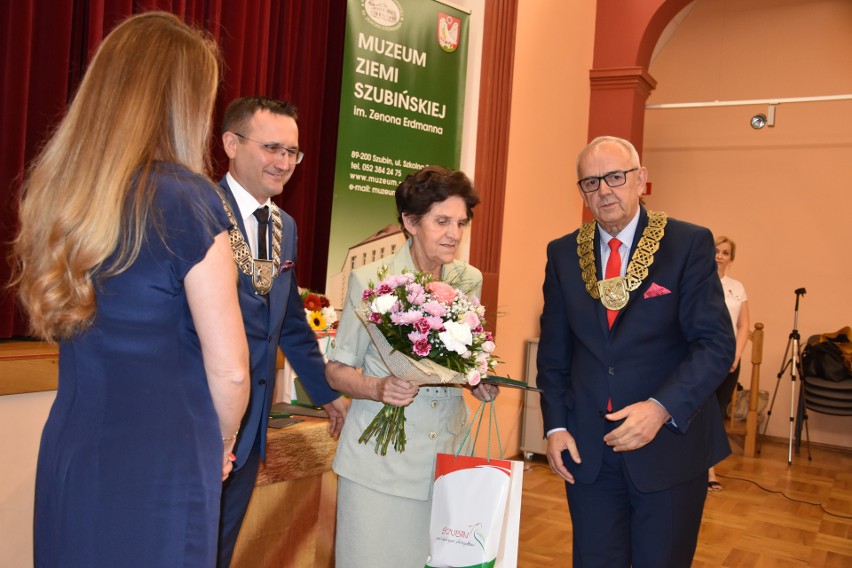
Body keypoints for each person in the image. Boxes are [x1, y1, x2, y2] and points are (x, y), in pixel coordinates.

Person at [11, 12, 250, 567]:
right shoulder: (187, 199)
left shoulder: (60, 193)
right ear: (182, 101)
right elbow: (232, 367)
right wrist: (220, 444)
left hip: (74, 448)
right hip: (162, 462)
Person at [537, 136, 735, 567]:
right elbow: (554, 354)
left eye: (615, 177)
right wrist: (554, 428)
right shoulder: (563, 254)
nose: (604, 190)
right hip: (587, 453)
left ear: (641, 180)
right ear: (582, 192)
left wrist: (661, 407)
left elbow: (716, 344)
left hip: (668, 449)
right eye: (591, 182)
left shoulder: (687, 244)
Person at [325, 166, 500, 568]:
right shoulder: (370, 280)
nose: (454, 233)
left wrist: (476, 380)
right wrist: (377, 388)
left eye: (460, 222)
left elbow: (461, 357)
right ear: (410, 221)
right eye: (442, 221)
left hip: (449, 458)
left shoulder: (467, 279)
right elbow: (337, 370)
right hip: (380, 464)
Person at [216, 95, 349, 567]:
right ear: (231, 143)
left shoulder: (283, 225)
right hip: (203, 417)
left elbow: (289, 321)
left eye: (292, 152)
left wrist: (325, 392)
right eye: (272, 147)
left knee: (221, 547)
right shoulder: (201, 210)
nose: (284, 162)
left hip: (253, 428)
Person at [708, 235, 750, 491]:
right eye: (716, 250)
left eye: (725, 252)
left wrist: (736, 354)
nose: (720, 256)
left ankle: (708, 468)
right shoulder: (699, 281)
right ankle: (707, 471)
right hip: (704, 359)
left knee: (717, 412)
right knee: (703, 414)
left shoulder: (737, 287)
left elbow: (744, 325)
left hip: (728, 360)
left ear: (731, 259)